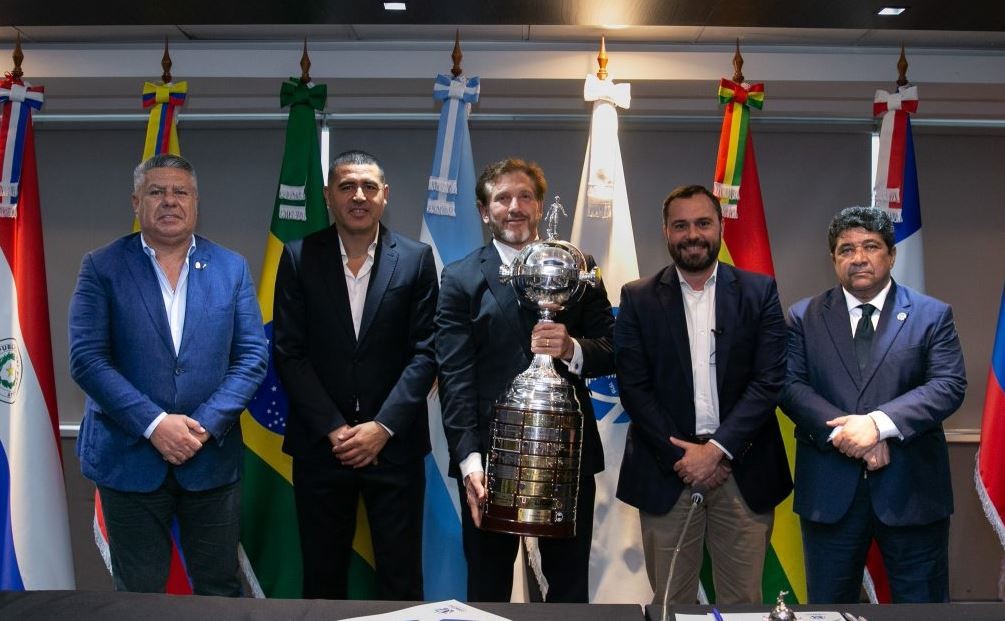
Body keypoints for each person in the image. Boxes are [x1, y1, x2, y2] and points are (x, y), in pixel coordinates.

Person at [69, 153, 268, 595]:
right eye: (156, 191)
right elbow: (87, 359)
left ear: (196, 202)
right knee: (139, 592)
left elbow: (252, 356)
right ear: (136, 202)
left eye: (181, 191)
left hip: (209, 458)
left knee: (219, 587)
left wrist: (201, 427)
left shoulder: (230, 268)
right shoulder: (102, 267)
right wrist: (156, 425)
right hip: (128, 458)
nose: (169, 201)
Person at [436, 157, 615, 602]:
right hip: (491, 461)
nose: (514, 207)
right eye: (502, 198)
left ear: (539, 206)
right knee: (488, 587)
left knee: (569, 588)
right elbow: (455, 376)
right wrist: (468, 463)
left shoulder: (578, 266)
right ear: (484, 210)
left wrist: (572, 347)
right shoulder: (459, 278)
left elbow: (615, 350)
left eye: (525, 196)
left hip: (565, 455)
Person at [614, 184, 792, 604]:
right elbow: (634, 388)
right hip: (666, 470)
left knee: (742, 602)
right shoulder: (637, 298)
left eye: (702, 223)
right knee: (671, 603)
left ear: (719, 228)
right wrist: (685, 458)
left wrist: (717, 450)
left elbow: (769, 381)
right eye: (681, 225)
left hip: (742, 467)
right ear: (666, 232)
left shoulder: (758, 292)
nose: (692, 234)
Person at [273, 150, 438, 600]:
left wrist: (382, 427)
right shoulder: (298, 256)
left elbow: (426, 353)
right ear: (329, 196)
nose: (358, 196)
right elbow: (289, 353)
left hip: (396, 447)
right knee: (322, 578)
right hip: (321, 448)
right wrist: (335, 429)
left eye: (368, 186)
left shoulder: (417, 259)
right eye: (347, 186)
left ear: (385, 195)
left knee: (401, 578)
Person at [781, 206, 966, 603]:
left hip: (912, 492)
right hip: (830, 492)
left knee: (923, 609)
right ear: (833, 260)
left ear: (891, 255)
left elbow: (948, 385)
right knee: (828, 610)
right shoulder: (804, 316)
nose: (858, 257)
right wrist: (850, 434)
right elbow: (789, 386)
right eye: (846, 250)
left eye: (870, 246)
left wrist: (879, 425)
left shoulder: (932, 315)